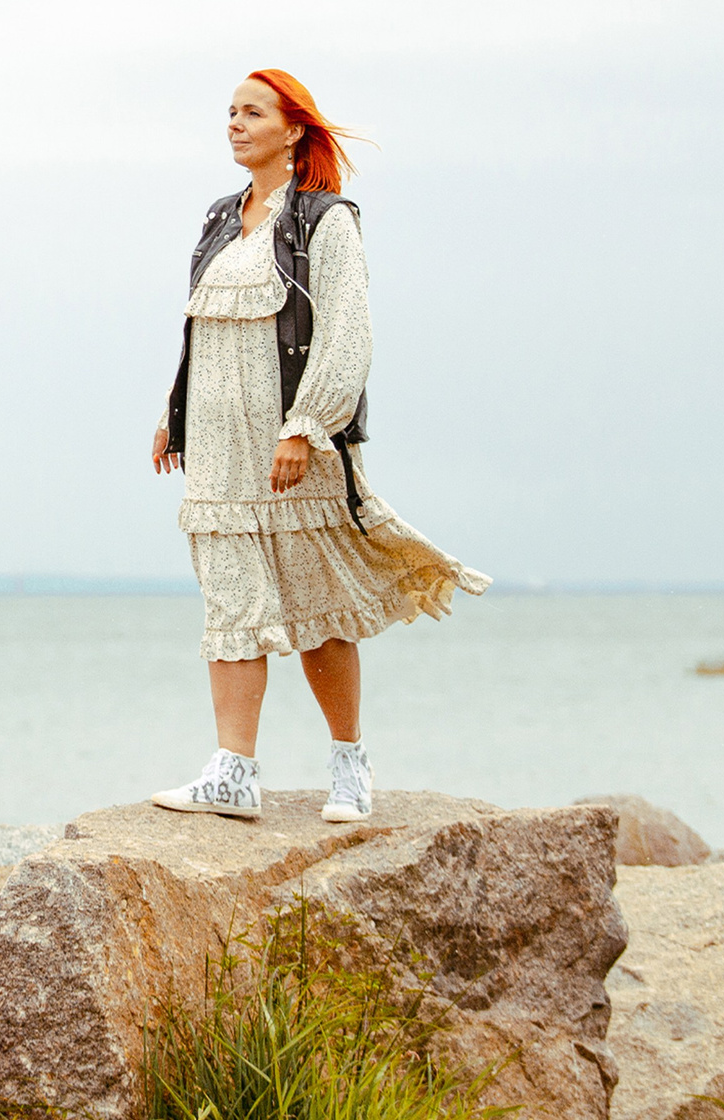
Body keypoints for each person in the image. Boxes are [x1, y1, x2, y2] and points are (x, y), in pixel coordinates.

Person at [148, 70, 488, 824]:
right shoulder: (217, 217)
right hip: (216, 448)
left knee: (315, 604)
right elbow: (203, 327)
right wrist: (175, 412)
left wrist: (305, 425)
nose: (234, 124)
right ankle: (233, 772)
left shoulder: (326, 219)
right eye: (229, 112)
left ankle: (349, 766)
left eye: (252, 112)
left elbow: (345, 333)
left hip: (291, 444)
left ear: (294, 128)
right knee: (231, 604)